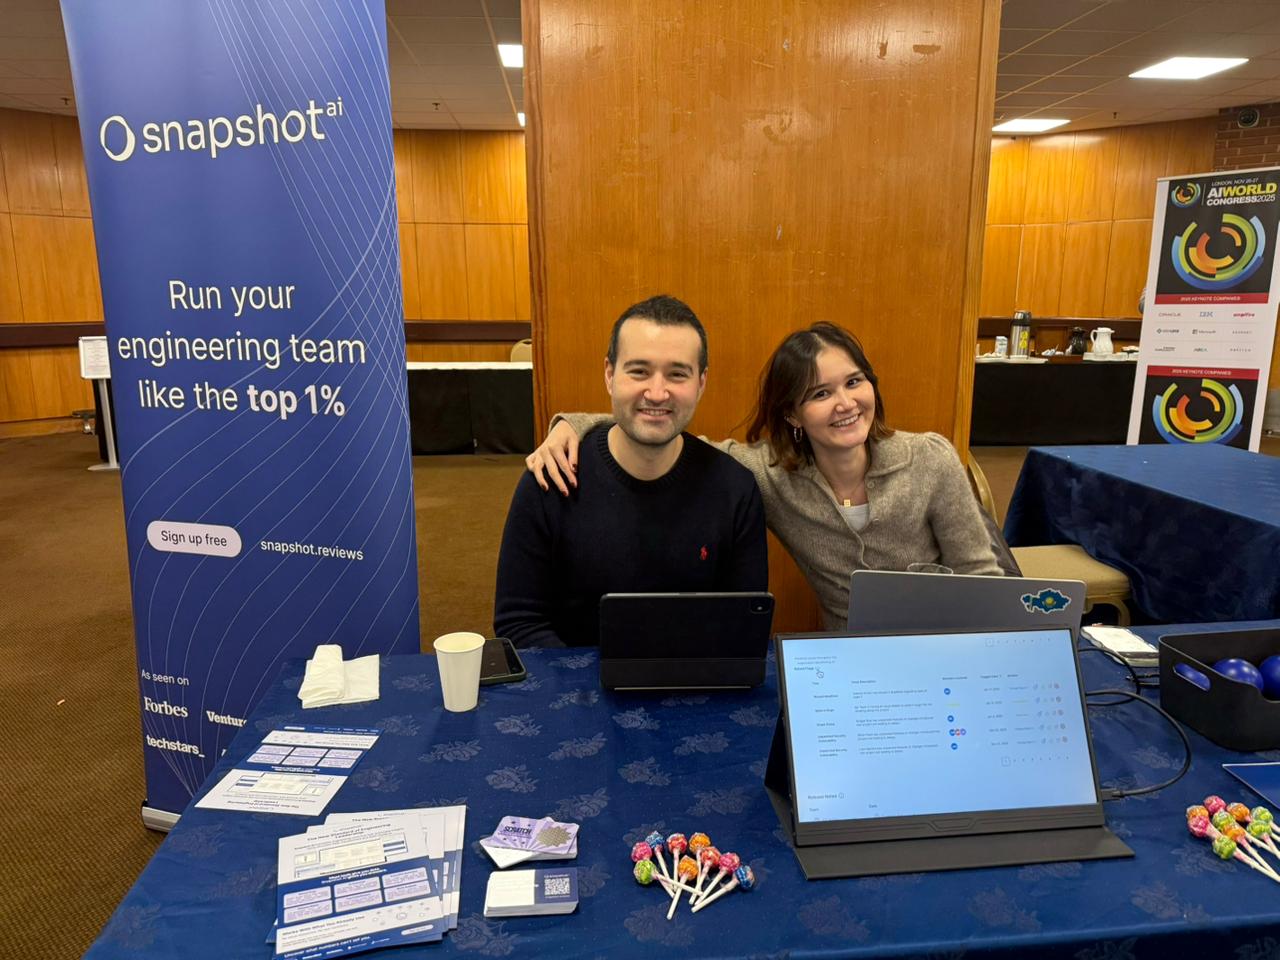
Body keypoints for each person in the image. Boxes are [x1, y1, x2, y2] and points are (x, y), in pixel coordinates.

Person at [527, 321, 1003, 630]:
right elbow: (664, 430)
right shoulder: (771, 475)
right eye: (820, 394)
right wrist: (571, 424)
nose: (845, 404)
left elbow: (982, 578)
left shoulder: (930, 460)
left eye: (854, 382)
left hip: (950, 647)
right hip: (852, 662)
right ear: (792, 414)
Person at [493, 295, 768, 648]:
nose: (657, 392)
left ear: (701, 383)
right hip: (572, 680)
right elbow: (518, 623)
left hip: (694, 681)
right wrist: (592, 682)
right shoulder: (551, 477)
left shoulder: (735, 490)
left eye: (677, 374)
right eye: (639, 371)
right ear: (610, 375)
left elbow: (742, 628)